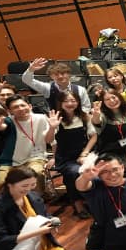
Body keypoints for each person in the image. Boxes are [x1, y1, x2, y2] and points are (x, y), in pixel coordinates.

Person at [44, 90, 96, 218]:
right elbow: (48, 140)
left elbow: (94, 136)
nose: (70, 103)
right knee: (73, 172)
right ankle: (77, 203)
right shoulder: (56, 119)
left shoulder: (84, 117)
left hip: (84, 154)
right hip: (65, 157)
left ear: (78, 102)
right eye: (66, 101)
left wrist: (84, 154)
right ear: (60, 103)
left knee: (95, 169)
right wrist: (52, 127)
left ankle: (94, 199)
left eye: (73, 100)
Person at [0, 95, 50, 195]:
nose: (20, 109)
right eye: (15, 107)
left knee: (37, 173)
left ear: (30, 106)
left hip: (35, 157)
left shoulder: (41, 118)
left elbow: (51, 140)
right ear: (9, 111)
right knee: (1, 184)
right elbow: (3, 126)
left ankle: (37, 199)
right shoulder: (9, 121)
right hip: (10, 161)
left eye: (23, 105)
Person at [21, 57, 90, 111]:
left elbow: (86, 107)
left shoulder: (81, 89)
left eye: (63, 73)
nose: (60, 76)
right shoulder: (47, 88)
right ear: (51, 76)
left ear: (69, 74)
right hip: (56, 122)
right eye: (56, 74)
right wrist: (31, 70)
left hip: (77, 121)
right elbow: (27, 80)